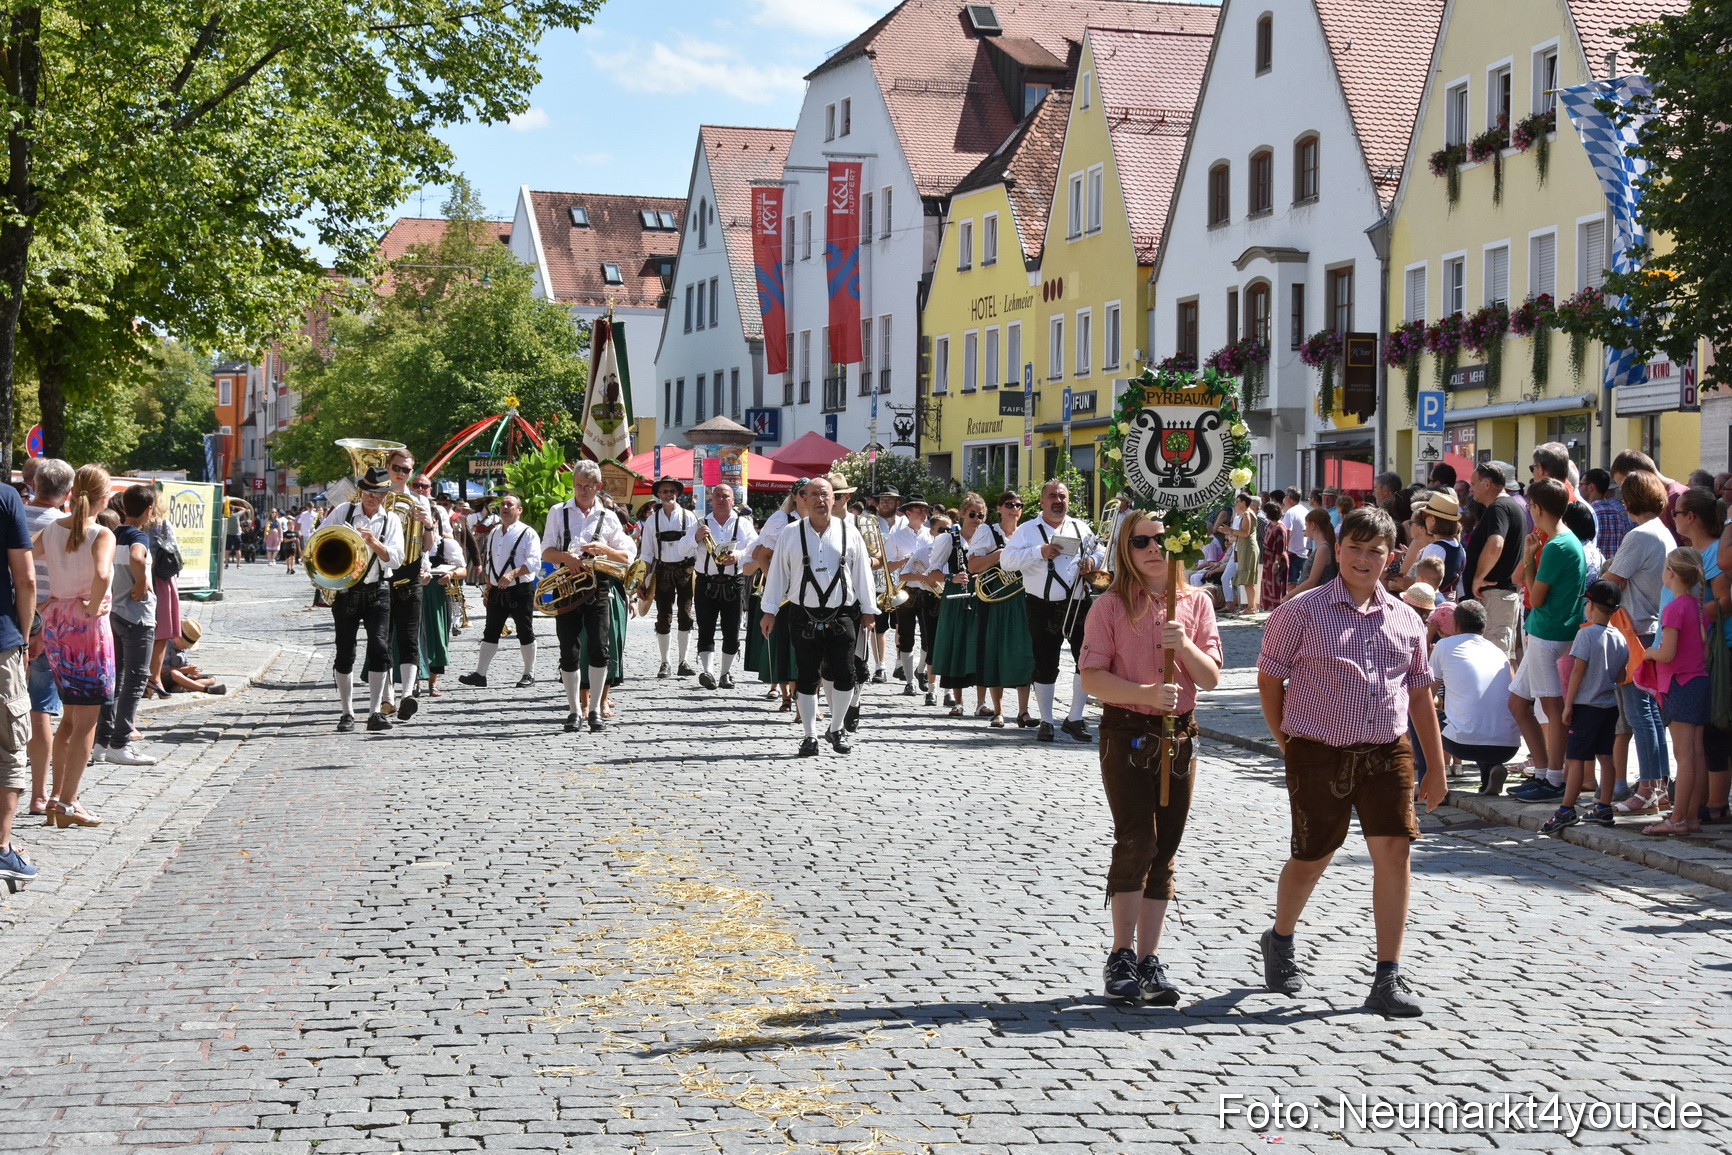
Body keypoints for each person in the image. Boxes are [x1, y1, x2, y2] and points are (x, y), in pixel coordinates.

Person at [1256, 506, 1447, 1018]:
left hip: (1388, 752)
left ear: (1391, 557)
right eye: (1355, 548)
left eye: (1375, 551)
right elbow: (1269, 681)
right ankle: (1280, 937)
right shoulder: (1300, 611)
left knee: (1395, 852)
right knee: (1312, 856)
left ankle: (1387, 977)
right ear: (1337, 550)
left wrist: (1436, 766)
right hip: (1318, 752)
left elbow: (1420, 694)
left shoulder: (1406, 618)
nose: (1363, 559)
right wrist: (1287, 744)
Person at [1079, 511, 1221, 1004]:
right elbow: (1092, 677)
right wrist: (1144, 691)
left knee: (1165, 847)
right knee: (1136, 839)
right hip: (1127, 732)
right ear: (1126, 549)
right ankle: (1120, 955)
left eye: (1161, 539)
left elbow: (1210, 678)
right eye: (1140, 541)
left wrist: (1184, 647)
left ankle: (1149, 959)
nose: (1153, 549)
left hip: (1180, 736)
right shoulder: (1111, 605)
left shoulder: (1197, 602)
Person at [759, 475, 876, 756]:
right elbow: (777, 574)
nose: (820, 500)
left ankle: (836, 729)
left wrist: (869, 610)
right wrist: (769, 610)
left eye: (825, 495)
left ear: (834, 499)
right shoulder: (790, 533)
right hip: (802, 613)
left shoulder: (850, 532)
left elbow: (862, 573)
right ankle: (809, 735)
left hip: (842, 613)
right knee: (807, 676)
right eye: (814, 494)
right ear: (804, 499)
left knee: (846, 674)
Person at [38, 465, 116, 827]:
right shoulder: (101, 533)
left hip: (57, 624)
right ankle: (68, 803)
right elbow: (101, 574)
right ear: (105, 497)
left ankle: (56, 797)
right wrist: (93, 604)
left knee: (69, 718)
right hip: (86, 627)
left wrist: (42, 603)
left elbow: (20, 554)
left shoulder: (52, 529)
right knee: (86, 721)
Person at [1001, 481, 1104, 742]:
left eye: (1062, 496)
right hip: (1042, 605)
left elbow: (1101, 550)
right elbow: (1007, 561)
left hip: (1079, 603)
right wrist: (1040, 552)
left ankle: (1075, 717)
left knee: (1086, 661)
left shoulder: (1080, 527)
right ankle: (1046, 720)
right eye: (1052, 496)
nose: (1058, 501)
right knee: (1046, 664)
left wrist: (1093, 560)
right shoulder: (1027, 530)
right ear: (1042, 501)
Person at [1505, 479, 1586, 803]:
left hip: (1548, 633)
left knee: (1553, 710)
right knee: (1518, 703)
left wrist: (1528, 559)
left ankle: (1553, 779)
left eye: (1530, 506)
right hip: (1550, 631)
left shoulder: (1556, 545)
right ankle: (1542, 772)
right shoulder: (1563, 539)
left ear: (1537, 508)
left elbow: (1536, 598)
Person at [540, 460, 635, 732]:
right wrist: (566, 558)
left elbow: (627, 556)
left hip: (598, 586)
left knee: (599, 647)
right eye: (578, 485)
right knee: (568, 649)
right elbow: (546, 551)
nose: (582, 491)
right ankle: (573, 711)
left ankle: (594, 710)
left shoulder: (609, 516)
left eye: (588, 486)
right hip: (566, 586)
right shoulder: (558, 512)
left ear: (598, 486)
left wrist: (605, 550)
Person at [1601, 470, 1674, 814]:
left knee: (1639, 715)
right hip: (1651, 629)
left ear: (1629, 500)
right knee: (1650, 716)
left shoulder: (1640, 534)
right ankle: (1658, 786)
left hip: (1636, 631)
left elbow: (1610, 582)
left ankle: (1648, 789)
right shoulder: (1662, 531)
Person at [1542, 581, 1629, 833]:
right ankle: (1604, 807)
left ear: (1590, 605)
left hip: (1585, 705)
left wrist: (1568, 705)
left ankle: (1566, 809)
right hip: (1609, 706)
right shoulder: (1620, 637)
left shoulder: (1586, 634)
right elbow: (1622, 675)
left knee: (1576, 758)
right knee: (1606, 757)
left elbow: (1578, 670)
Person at [324, 466, 404, 733]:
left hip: (377, 591)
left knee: (380, 649)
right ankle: (347, 712)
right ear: (361, 491)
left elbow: (396, 559)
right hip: (347, 590)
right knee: (344, 651)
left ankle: (374, 713)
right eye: (368, 492)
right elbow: (318, 540)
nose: (372, 497)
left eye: (378, 494)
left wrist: (373, 543)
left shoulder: (391, 520)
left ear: (385, 495)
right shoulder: (343, 511)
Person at [1644, 548, 1710, 835]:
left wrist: (1649, 652)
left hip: (1680, 685)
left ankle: (1678, 819)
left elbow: (1667, 653)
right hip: (1698, 682)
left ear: (1670, 573)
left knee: (1684, 757)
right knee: (1695, 755)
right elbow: (1704, 653)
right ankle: (1691, 817)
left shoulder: (1674, 608)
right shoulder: (1698, 607)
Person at [93, 485, 159, 767]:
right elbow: (136, 557)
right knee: (135, 680)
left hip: (114, 614)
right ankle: (120, 743)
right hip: (137, 617)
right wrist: (141, 582)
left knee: (114, 680)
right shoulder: (138, 536)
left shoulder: (113, 533)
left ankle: (101, 742)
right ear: (148, 510)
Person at [1428, 599, 1522, 796]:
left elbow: (1427, 695)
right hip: (1508, 747)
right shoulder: (1498, 652)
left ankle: (1429, 781)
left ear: (1455, 624)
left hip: (1464, 745)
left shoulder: (1444, 646)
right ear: (1484, 626)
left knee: (1422, 715)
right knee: (1478, 716)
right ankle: (1490, 773)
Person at [22, 459, 70, 820]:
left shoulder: (12, 516)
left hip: (10, 621)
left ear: (33, 483)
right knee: (40, 708)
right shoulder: (66, 527)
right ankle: (39, 794)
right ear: (67, 493)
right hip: (49, 625)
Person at [966, 490, 1036, 728]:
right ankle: (999, 711)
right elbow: (973, 566)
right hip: (995, 599)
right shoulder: (988, 531)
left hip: (1022, 599)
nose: (1014, 508)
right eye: (1009, 504)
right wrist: (1000, 555)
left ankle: (1024, 712)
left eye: (1018, 505)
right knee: (994, 652)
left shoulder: (1026, 532)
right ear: (999, 508)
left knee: (1024, 653)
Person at [459, 493, 540, 690]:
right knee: (490, 630)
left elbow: (534, 562)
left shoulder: (528, 533)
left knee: (525, 630)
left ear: (519, 510)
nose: (505, 507)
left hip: (520, 589)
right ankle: (480, 674)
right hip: (496, 590)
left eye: (510, 505)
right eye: (503, 504)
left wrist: (512, 574)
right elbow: (490, 559)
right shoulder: (495, 531)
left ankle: (528, 673)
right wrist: (489, 585)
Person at [380, 447, 436, 722]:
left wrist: (428, 525)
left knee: (409, 638)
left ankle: (407, 695)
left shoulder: (418, 501)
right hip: (381, 575)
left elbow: (427, 546)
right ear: (388, 468)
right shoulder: (377, 496)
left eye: (406, 470)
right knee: (381, 640)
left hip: (410, 575)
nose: (401, 473)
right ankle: (386, 696)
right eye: (397, 468)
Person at [0, 461, 36, 887]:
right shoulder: (6, 497)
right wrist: (25, 639)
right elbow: (25, 579)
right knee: (9, 747)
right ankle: (2, 847)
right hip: (1, 643)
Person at [686, 482, 757, 690]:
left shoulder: (743, 524)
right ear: (711, 499)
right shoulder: (701, 524)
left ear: (733, 500)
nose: (721, 499)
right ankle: (707, 672)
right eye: (717, 495)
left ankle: (725, 673)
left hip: (733, 582)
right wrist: (695, 538)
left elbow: (755, 549)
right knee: (705, 628)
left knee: (732, 631)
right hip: (706, 582)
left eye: (726, 496)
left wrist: (739, 555)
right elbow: (682, 549)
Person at [744, 481, 807, 712]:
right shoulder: (782, 519)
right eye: (803, 493)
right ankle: (787, 695)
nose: (808, 497)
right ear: (795, 496)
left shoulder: (819, 520)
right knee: (783, 642)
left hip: (808, 590)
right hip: (784, 592)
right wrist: (777, 583)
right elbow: (762, 555)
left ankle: (804, 697)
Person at [926, 494, 989, 718]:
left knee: (980, 647)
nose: (977, 519)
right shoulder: (949, 539)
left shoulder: (987, 539)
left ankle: (981, 703)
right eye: (972, 514)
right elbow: (932, 572)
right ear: (963, 514)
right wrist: (951, 577)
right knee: (957, 645)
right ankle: (958, 702)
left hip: (981, 595)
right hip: (955, 596)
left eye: (981, 515)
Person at [1463, 462, 1526, 658]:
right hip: (1499, 597)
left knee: (1493, 657)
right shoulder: (1507, 506)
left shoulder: (1499, 507)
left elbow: (1496, 544)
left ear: (1487, 484)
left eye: (1473, 484)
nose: (1471, 489)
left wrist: (1478, 578)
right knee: (1501, 656)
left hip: (1496, 597)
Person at [411, 474, 464, 697]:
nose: (419, 488)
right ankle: (414, 681)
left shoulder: (445, 544)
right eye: (416, 485)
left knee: (437, 636)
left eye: (423, 486)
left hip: (437, 592)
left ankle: (433, 682)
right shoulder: (410, 543)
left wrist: (450, 574)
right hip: (415, 589)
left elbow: (463, 569)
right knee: (414, 635)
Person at [640, 477, 697, 678]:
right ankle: (665, 662)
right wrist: (643, 580)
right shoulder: (652, 521)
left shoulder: (689, 517)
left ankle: (683, 661)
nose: (668, 494)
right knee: (663, 617)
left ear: (678, 493)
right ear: (658, 494)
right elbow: (646, 553)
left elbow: (697, 548)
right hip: (662, 571)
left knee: (686, 615)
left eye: (672, 491)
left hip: (685, 570)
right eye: (664, 491)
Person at [885, 494, 936, 701]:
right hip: (906, 589)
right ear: (908, 513)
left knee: (927, 637)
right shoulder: (896, 537)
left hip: (929, 590)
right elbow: (888, 565)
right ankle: (909, 681)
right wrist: (904, 561)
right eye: (919, 510)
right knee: (906, 637)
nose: (924, 514)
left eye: (925, 510)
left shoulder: (931, 535)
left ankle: (921, 669)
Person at [1611, 449, 1688, 542]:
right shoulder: (1657, 497)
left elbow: (1690, 544)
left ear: (1639, 475)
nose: (1625, 492)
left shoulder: (1675, 497)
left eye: (1624, 485)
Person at [868, 487, 905, 681]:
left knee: (901, 625)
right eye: (882, 499)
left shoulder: (905, 524)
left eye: (889, 500)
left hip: (901, 583)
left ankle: (900, 663)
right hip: (877, 582)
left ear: (897, 503)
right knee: (878, 627)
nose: (885, 503)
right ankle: (879, 666)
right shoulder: (871, 523)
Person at [148, 499, 183, 697]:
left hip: (140, 578)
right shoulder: (163, 525)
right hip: (161, 581)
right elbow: (175, 549)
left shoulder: (135, 525)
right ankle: (155, 678)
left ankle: (147, 680)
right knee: (161, 633)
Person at [1283, 508, 1336, 601]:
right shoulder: (1321, 547)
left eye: (1306, 525)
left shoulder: (1323, 549)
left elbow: (1312, 581)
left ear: (1312, 525)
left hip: (1318, 601)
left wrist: (1289, 596)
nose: (1305, 530)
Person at [161, 619, 225, 694]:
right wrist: (185, 670)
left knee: (211, 679)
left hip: (182, 676)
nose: (186, 647)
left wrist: (192, 670)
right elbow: (161, 671)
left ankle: (184, 687)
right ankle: (206, 689)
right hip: (167, 678)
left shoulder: (183, 648)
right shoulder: (166, 645)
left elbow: (186, 664)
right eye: (185, 644)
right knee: (175, 673)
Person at [1227, 492, 1262, 616]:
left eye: (1237, 501)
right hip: (1245, 548)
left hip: (1248, 548)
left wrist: (1229, 530)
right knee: (1247, 579)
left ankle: (1251, 607)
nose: (1236, 503)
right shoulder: (1245, 513)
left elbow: (1245, 533)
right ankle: (1251, 606)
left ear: (1243, 502)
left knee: (1248, 578)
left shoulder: (1247, 513)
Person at [1581, 468, 1629, 559]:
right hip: (1615, 566)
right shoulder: (1619, 515)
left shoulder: (1588, 514)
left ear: (1591, 487)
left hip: (1594, 566)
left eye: (1581, 484)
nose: (1579, 488)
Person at [1261, 501, 1288, 608]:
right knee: (1267, 585)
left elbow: (1280, 547)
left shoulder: (1279, 528)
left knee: (1276, 587)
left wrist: (1276, 562)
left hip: (1276, 559)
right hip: (1268, 559)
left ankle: (1278, 609)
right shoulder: (1270, 525)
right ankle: (1268, 609)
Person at [1280, 488, 1310, 586]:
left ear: (1289, 498)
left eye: (1285, 496)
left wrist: (1285, 550)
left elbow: (1286, 532)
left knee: (1291, 584)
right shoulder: (1305, 510)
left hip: (1293, 553)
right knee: (1302, 584)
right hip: (1305, 552)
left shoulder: (1290, 512)